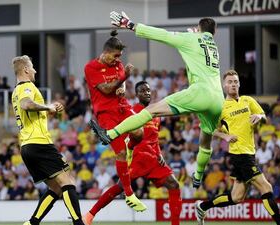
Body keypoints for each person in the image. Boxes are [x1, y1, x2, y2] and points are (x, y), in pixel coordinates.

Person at [89, 11, 224, 188]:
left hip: (200, 92)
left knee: (150, 111)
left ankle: (111, 134)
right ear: (213, 32)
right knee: (205, 141)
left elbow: (163, 35)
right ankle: (198, 175)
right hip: (218, 99)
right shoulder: (213, 46)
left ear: (198, 29)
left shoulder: (191, 39)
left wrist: (130, 25)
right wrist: (196, 35)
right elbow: (199, 48)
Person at [194, 70, 280, 225]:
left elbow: (264, 116)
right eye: (230, 82)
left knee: (236, 197)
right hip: (239, 154)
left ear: (239, 84)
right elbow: (208, 128)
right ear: (224, 86)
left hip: (250, 153)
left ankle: (202, 206)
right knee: (266, 187)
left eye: (235, 82)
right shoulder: (221, 107)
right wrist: (225, 136)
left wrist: (259, 117)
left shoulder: (248, 100)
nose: (233, 84)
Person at [82, 81, 182, 225]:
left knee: (174, 184)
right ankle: (90, 215)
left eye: (148, 90)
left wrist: (159, 153)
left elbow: (155, 137)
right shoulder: (132, 110)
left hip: (153, 159)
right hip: (137, 157)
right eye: (142, 91)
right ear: (137, 94)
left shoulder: (156, 113)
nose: (146, 92)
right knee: (119, 187)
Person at [11, 55, 85, 225]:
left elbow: (28, 109)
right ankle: (78, 223)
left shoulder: (15, 91)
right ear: (26, 70)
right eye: (33, 67)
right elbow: (27, 105)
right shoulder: (26, 86)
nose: (35, 70)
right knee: (68, 182)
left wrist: (48, 111)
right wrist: (48, 106)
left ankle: (32, 223)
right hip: (39, 143)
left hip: (27, 147)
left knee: (56, 187)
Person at [84, 30, 145, 211]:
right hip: (106, 113)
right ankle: (129, 193)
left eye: (120, 56)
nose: (118, 59)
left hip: (122, 107)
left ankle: (129, 145)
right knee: (120, 154)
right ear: (106, 52)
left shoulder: (117, 64)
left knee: (139, 133)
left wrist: (123, 85)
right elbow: (106, 89)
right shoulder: (91, 67)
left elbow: (119, 84)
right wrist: (123, 78)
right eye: (115, 55)